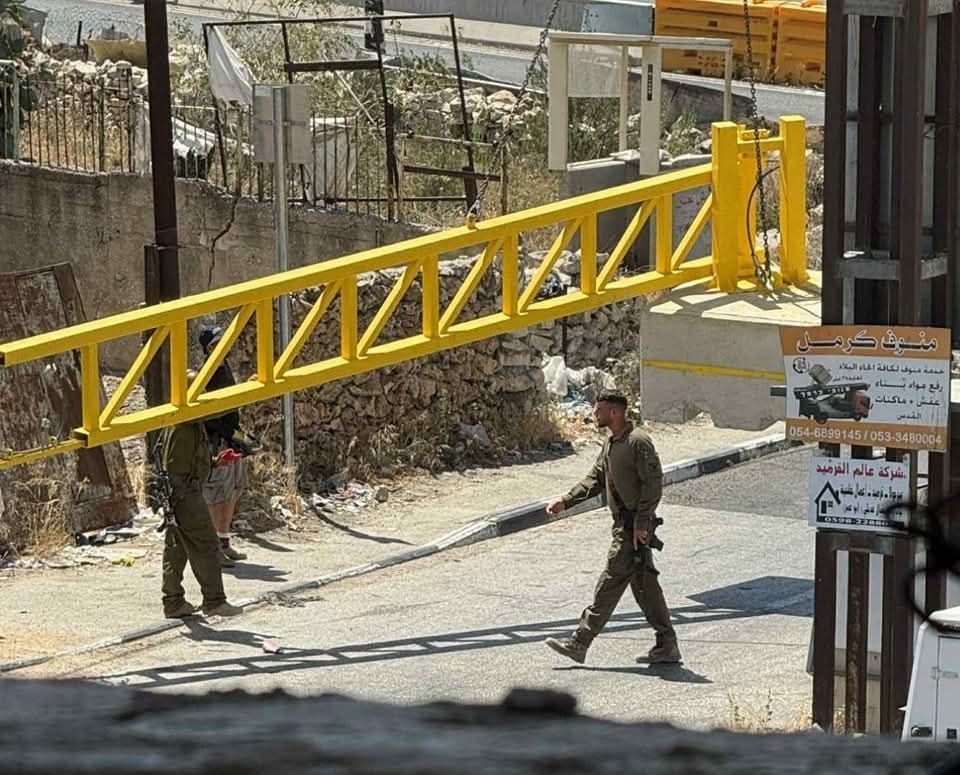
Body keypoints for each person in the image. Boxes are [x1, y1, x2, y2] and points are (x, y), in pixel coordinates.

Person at [543, 391, 681, 665]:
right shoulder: (611, 443)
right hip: (624, 526)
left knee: (610, 582)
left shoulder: (638, 442)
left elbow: (653, 484)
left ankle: (579, 642)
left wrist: (641, 523)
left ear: (615, 412)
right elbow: (595, 479)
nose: (595, 414)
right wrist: (565, 501)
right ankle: (667, 644)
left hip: (632, 529)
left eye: (600, 410)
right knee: (645, 587)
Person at [156, 413, 243, 619]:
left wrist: (214, 462)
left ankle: (173, 601)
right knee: (206, 542)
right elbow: (177, 468)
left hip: (182, 491)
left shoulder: (187, 423)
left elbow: (189, 459)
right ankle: (214, 601)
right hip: (185, 492)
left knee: (177, 547)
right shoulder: (185, 423)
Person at [198, 325, 249, 568]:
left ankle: (223, 541)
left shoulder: (224, 368)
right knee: (216, 496)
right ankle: (212, 549)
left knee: (234, 490)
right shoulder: (206, 375)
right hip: (217, 442)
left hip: (230, 439)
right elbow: (206, 414)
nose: (224, 346)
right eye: (217, 343)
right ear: (209, 349)